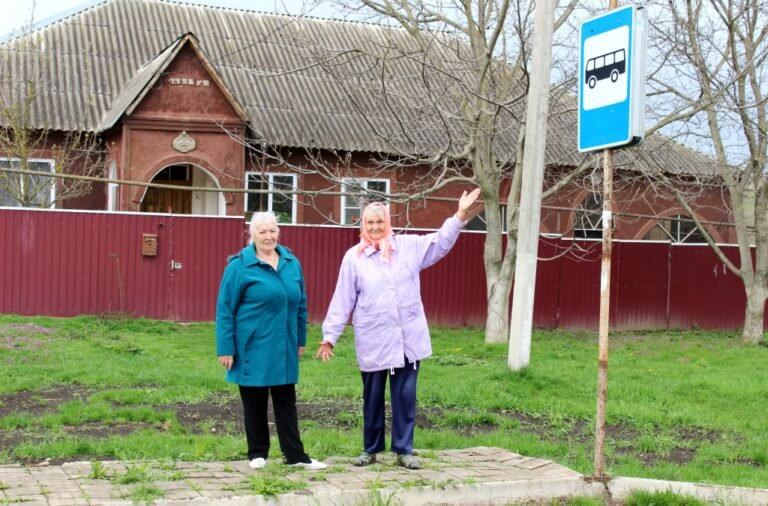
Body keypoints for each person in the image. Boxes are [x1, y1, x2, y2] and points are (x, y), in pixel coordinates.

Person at [316, 189, 482, 469]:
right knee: (372, 397)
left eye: (380, 222)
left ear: (388, 223)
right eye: (369, 223)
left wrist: (459, 216)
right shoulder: (354, 258)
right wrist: (329, 337)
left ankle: (404, 449)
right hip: (374, 339)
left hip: (407, 337)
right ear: (362, 225)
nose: (375, 228)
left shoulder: (407, 247)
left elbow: (438, 243)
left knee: (405, 396)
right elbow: (342, 298)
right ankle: (370, 449)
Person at [216, 211, 326, 471]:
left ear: (279, 232)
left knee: (286, 400)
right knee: (254, 399)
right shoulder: (239, 266)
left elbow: (300, 305)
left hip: (284, 344)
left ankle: (295, 456)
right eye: (262, 231)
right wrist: (225, 348)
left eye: (272, 230)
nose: (268, 236)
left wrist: (300, 339)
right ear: (251, 234)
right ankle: (257, 453)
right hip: (251, 345)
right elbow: (225, 309)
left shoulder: (290, 262)